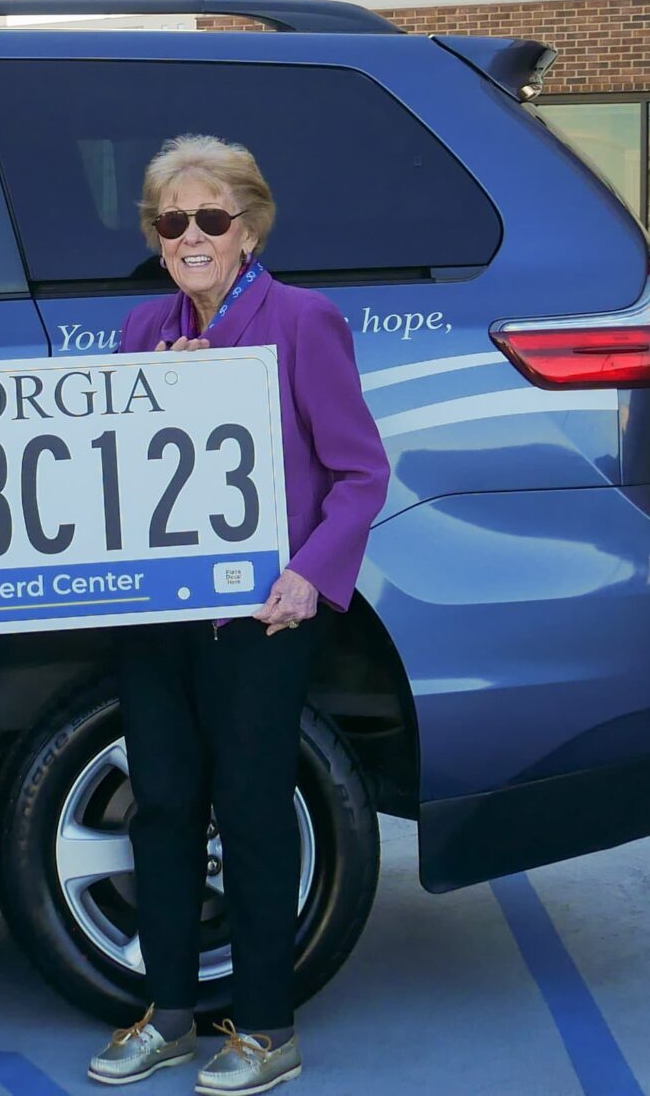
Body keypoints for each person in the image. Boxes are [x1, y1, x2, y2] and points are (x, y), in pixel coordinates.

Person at [87, 135, 389, 1096]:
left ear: (249, 227)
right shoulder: (141, 331)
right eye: (171, 220)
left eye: (210, 217)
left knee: (254, 810)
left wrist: (309, 575)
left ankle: (266, 1025)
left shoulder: (304, 322)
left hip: (260, 618)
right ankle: (168, 1011)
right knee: (162, 803)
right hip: (156, 618)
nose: (190, 234)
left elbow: (359, 472)